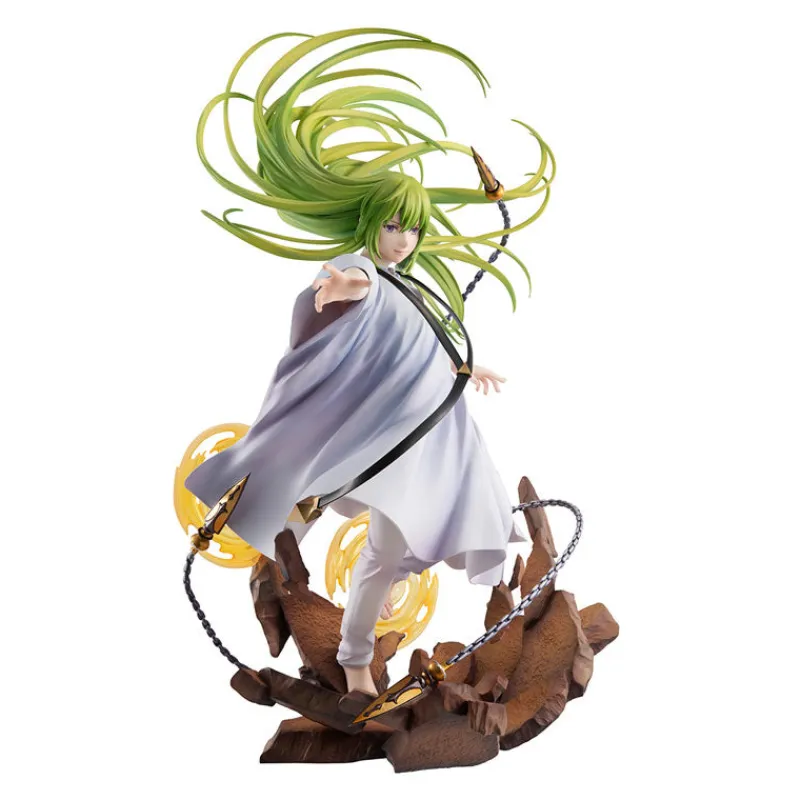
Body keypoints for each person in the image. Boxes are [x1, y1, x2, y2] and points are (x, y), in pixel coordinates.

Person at [184, 29, 554, 695]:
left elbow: (417, 344)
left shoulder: (409, 288)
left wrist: (466, 369)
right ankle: (341, 644)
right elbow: (353, 287)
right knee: (363, 531)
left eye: (412, 228)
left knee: (402, 545)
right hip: (384, 442)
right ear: (371, 224)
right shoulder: (362, 271)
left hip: (427, 438)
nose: (402, 239)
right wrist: (339, 289)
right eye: (392, 225)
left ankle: (369, 643)